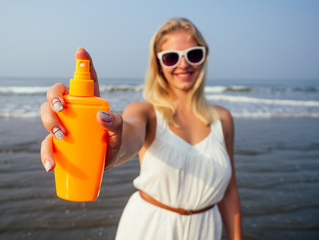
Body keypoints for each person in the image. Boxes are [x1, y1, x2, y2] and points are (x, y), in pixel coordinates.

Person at [40, 18, 242, 240]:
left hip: (206, 230)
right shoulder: (145, 113)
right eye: (171, 57)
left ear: (204, 57)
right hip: (151, 229)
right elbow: (127, 137)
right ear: (158, 64)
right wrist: (98, 135)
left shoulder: (222, 119)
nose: (183, 64)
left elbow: (229, 191)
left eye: (193, 54)